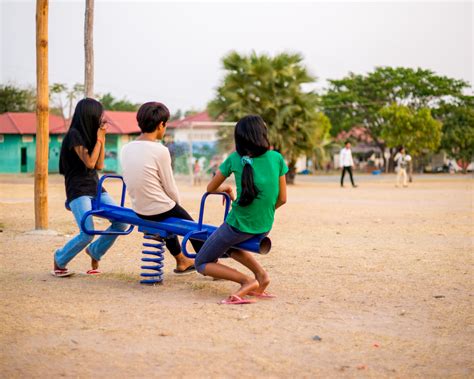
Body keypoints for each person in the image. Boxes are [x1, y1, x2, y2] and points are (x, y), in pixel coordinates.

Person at [194, 115, 288, 305]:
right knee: (231, 247)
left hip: (237, 226)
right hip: (264, 226)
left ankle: (247, 281)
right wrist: (264, 211)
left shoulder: (234, 159)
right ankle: (262, 276)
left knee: (201, 263)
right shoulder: (276, 158)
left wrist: (226, 189)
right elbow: (282, 199)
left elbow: (210, 188)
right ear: (262, 135)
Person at [120, 102, 199, 274]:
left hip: (139, 208)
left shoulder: (126, 148)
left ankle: (182, 261)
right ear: (160, 125)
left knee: (166, 216)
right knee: (192, 227)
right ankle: (209, 262)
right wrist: (177, 205)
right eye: (166, 125)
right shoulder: (160, 150)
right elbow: (170, 187)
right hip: (158, 208)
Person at [53, 98, 128, 277]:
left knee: (122, 222)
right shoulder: (74, 135)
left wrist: (100, 139)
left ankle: (95, 251)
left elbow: (99, 165)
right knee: (87, 232)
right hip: (78, 190)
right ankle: (60, 258)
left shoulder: (90, 136)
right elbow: (90, 161)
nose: (101, 119)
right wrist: (100, 139)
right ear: (90, 116)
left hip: (96, 187)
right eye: (99, 115)